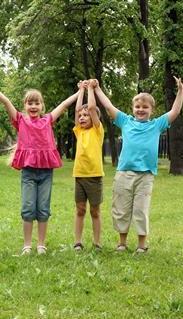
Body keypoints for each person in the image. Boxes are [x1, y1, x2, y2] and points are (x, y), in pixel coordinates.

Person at [0, 73, 80, 255]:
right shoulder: (20, 120)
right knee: (28, 208)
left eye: (37, 103)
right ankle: (27, 245)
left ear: (42, 106)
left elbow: (65, 104)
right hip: (28, 172)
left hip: (46, 173)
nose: (33, 106)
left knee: (43, 208)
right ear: (25, 106)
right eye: (30, 103)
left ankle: (41, 244)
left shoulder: (48, 120)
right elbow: (6, 102)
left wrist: (80, 91)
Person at [93, 77, 183, 253]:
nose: (140, 110)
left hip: (146, 175)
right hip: (124, 174)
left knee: (141, 210)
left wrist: (180, 91)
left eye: (145, 107)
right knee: (121, 209)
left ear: (152, 110)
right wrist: (97, 89)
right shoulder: (125, 121)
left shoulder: (157, 124)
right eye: (137, 107)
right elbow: (108, 106)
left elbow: (175, 111)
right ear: (132, 109)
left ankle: (142, 245)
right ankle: (122, 243)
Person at [72, 80, 104, 251]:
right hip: (79, 176)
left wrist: (91, 88)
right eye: (81, 116)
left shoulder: (97, 130)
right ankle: (78, 242)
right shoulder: (79, 131)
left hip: (95, 176)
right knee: (80, 209)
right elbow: (77, 110)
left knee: (95, 211)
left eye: (87, 115)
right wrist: (81, 91)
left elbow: (92, 108)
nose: (83, 117)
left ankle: (97, 243)